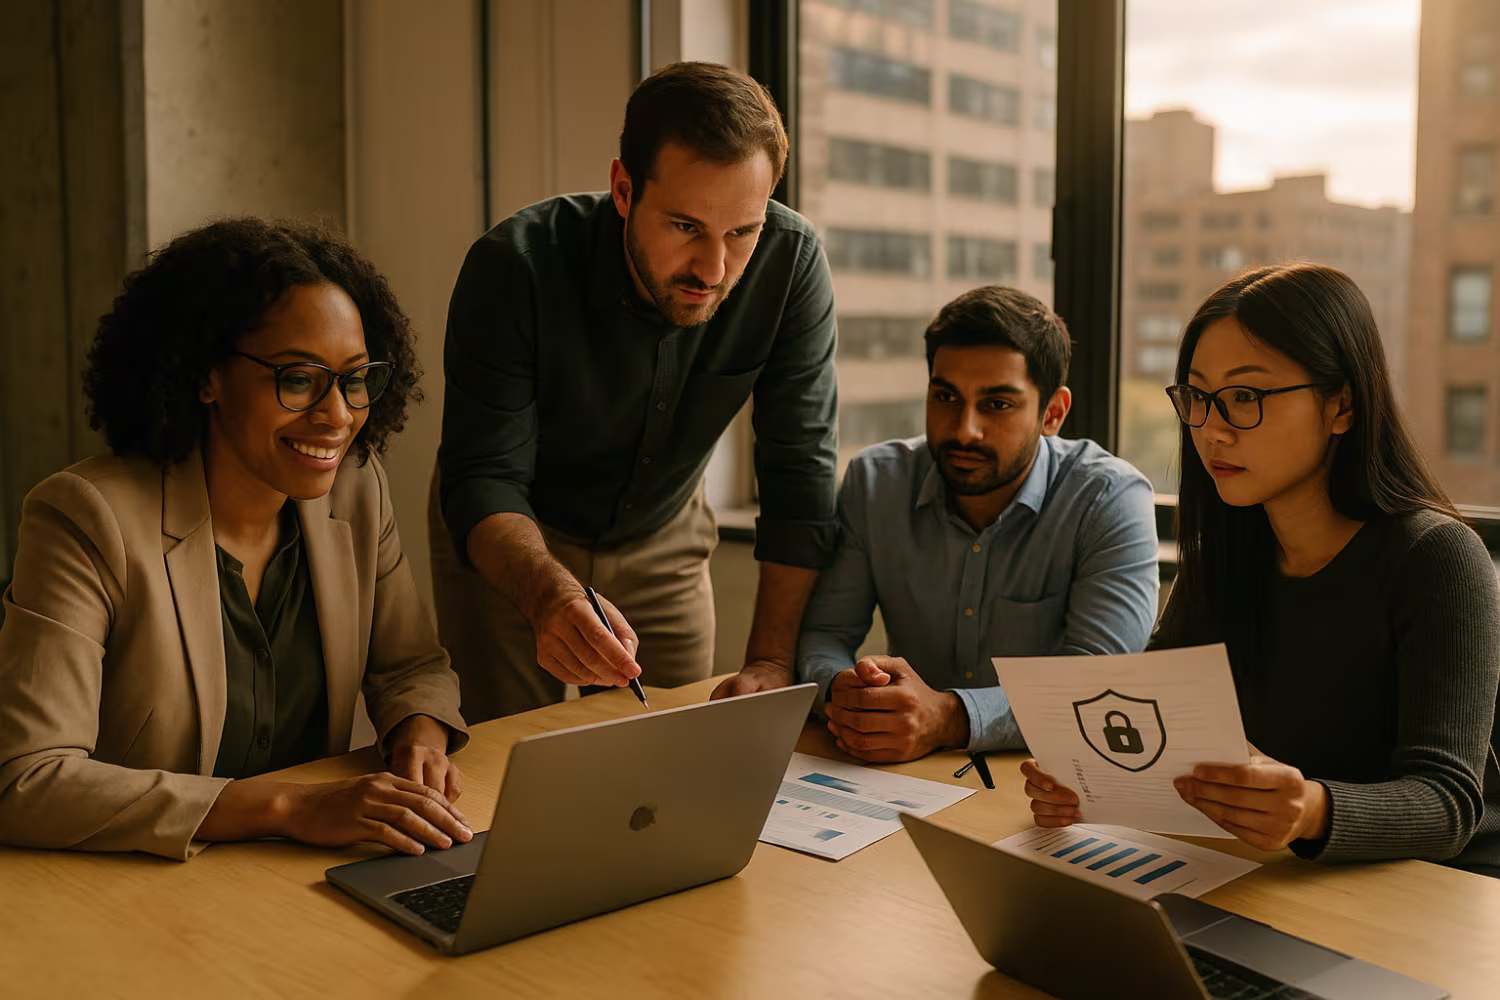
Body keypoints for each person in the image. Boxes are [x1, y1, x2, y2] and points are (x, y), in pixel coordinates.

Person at [0, 219, 472, 861]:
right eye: (299, 379)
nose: (337, 416)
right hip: (131, 890)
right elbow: (27, 780)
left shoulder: (358, 490)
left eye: (355, 378)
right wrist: (288, 808)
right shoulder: (87, 518)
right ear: (206, 377)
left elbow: (411, 666)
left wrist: (419, 737)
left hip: (297, 880)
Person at [1022, 262, 1500, 873]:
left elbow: (1448, 802)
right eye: (1196, 397)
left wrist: (1312, 811)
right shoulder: (1228, 549)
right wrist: (1091, 781)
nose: (1211, 429)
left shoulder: (1437, 558)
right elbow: (1158, 725)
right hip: (1268, 876)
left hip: (1425, 896)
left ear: (1341, 406)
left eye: (1245, 397)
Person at [430, 61, 839, 723]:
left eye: (742, 232)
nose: (713, 269)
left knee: (667, 767)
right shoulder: (514, 267)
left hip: (665, 534)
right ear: (623, 189)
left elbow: (801, 473)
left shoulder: (791, 264)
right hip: (514, 534)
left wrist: (769, 659)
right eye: (685, 227)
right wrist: (547, 595)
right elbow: (484, 476)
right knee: (497, 760)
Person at [799, 285, 1159, 764]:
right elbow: (823, 633)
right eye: (945, 396)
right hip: (901, 772)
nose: (964, 429)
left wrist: (948, 717)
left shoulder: (1110, 499)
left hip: (1047, 779)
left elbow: (1098, 684)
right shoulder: (876, 482)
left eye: (997, 404)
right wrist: (846, 692)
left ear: (1052, 413)